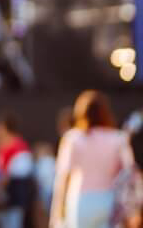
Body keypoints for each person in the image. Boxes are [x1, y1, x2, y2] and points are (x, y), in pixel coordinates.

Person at [51, 90, 134, 228]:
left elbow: (62, 178)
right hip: (108, 201)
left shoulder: (73, 139)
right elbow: (129, 173)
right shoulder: (118, 139)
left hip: (80, 201)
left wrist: (57, 213)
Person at [0, 112, 36, 228]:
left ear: (4, 128)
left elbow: (15, 174)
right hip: (4, 200)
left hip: (15, 198)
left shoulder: (19, 147)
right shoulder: (2, 147)